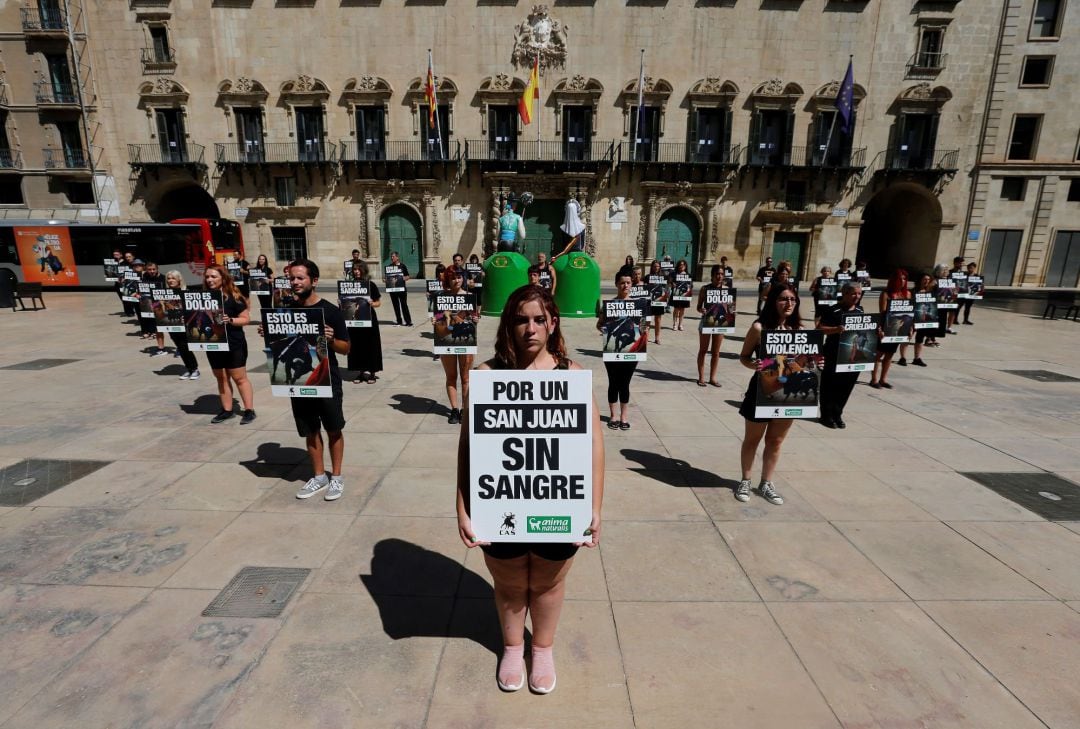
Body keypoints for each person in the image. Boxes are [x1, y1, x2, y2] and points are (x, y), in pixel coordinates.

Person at [456, 284, 603, 694]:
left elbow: (593, 443)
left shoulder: (570, 376)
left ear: (553, 323)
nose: (530, 329)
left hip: (558, 499)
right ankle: (511, 645)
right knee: (510, 582)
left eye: (539, 319)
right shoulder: (486, 376)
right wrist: (462, 506)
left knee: (548, 582)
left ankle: (542, 649)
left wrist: (596, 506)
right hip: (500, 499)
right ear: (508, 325)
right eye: (521, 320)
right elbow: (469, 446)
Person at [277, 259, 352, 501]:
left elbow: (346, 348)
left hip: (326, 377)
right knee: (310, 430)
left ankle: (336, 477)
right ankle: (319, 476)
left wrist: (331, 340)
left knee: (333, 428)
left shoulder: (330, 311)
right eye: (292, 278)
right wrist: (270, 332)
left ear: (314, 281)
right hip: (299, 381)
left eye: (300, 278)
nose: (295, 282)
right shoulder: (286, 309)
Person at [736, 283, 802, 505]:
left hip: (789, 391)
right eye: (784, 299)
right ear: (773, 301)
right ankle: (745, 480)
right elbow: (744, 356)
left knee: (775, 440)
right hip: (762, 390)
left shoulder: (800, 332)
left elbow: (803, 363)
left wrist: (815, 361)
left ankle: (766, 482)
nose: (789, 303)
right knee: (752, 439)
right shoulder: (759, 328)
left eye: (793, 299)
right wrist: (753, 364)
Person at [202, 264, 257, 425]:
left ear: (223, 278)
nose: (210, 280)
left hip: (233, 342)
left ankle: (249, 410)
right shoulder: (202, 297)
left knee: (239, 377)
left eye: (213, 276)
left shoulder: (234, 296)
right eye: (207, 277)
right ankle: (227, 410)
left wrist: (230, 320)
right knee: (221, 377)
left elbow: (246, 319)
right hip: (213, 343)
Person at [817, 282, 864, 428]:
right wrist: (836, 329)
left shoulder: (860, 310)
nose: (857, 296)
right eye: (853, 293)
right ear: (844, 294)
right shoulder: (834, 310)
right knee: (830, 385)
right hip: (833, 353)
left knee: (846, 386)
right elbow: (819, 328)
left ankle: (837, 414)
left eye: (859, 293)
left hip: (852, 356)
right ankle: (826, 415)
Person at [596, 269, 638, 430]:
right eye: (622, 283)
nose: (625, 285)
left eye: (628, 283)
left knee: (625, 383)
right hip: (612, 350)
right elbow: (599, 325)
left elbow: (642, 326)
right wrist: (605, 329)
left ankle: (624, 417)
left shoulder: (638, 305)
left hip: (631, 351)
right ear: (616, 285)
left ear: (632, 284)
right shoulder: (609, 305)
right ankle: (613, 416)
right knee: (613, 382)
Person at [437, 267, 477, 425]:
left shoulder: (470, 297)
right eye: (453, 277)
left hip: (466, 340)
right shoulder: (441, 297)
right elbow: (439, 317)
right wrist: (436, 319)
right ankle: (454, 410)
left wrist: (475, 319)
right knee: (451, 376)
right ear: (448, 279)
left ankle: (465, 410)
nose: (457, 280)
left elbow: (474, 316)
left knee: (466, 377)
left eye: (459, 277)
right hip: (447, 341)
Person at [869, 268, 910, 390]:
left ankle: (883, 379)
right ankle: (874, 379)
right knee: (878, 355)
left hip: (899, 329)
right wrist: (880, 329)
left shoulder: (907, 294)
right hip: (887, 328)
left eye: (904, 279)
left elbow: (910, 313)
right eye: (900, 278)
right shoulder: (885, 294)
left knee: (890, 355)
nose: (902, 281)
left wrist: (910, 328)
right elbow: (882, 313)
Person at [346, 262, 383, 385]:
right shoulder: (349, 285)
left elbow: (378, 302)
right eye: (354, 269)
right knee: (356, 345)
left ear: (363, 270)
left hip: (369, 319)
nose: (356, 272)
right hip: (354, 320)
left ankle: (372, 372)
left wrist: (372, 303)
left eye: (358, 269)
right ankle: (360, 371)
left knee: (371, 344)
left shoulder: (370, 285)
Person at [165, 269, 199, 380]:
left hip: (184, 325)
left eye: (173, 278)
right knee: (179, 347)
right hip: (171, 324)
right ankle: (189, 368)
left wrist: (188, 317)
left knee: (185, 347)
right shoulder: (164, 293)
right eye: (168, 278)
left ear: (179, 279)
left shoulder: (186, 292)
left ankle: (194, 369)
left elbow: (194, 309)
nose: (170, 281)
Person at [695, 264, 726, 387]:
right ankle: (701, 377)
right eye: (717, 274)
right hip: (706, 322)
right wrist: (701, 310)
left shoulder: (726, 289)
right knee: (703, 350)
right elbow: (698, 306)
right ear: (712, 275)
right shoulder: (705, 289)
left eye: (722, 274)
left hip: (720, 323)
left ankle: (713, 377)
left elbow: (730, 307)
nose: (719, 276)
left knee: (716, 352)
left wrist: (733, 312)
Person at [898, 273, 933, 367]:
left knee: (920, 338)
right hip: (912, 318)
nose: (926, 281)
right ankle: (902, 358)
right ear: (920, 280)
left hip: (923, 318)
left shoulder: (930, 292)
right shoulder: (913, 292)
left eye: (928, 280)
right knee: (907, 337)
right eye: (925, 279)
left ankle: (917, 358)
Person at [142, 261, 168, 356]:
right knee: (158, 328)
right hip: (153, 306)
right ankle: (161, 348)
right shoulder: (144, 277)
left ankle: (179, 349)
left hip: (165, 305)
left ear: (157, 269)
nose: (152, 271)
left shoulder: (164, 278)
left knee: (174, 329)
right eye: (149, 269)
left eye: (154, 269)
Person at [386, 250, 413, 326]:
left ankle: (408, 321)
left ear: (397, 257)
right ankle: (399, 321)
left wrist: (403, 278)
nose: (392, 258)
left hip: (401, 289)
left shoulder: (402, 266)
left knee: (404, 305)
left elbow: (408, 276)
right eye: (391, 256)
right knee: (396, 305)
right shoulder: (389, 267)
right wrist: (386, 280)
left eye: (393, 256)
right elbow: (386, 278)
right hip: (393, 289)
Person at [647, 259, 668, 344]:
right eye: (655, 266)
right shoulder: (647, 277)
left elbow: (666, 288)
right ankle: (646, 337)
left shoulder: (663, 277)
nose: (656, 268)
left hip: (659, 301)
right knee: (648, 320)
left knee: (658, 320)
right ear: (652, 267)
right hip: (649, 301)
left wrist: (666, 296)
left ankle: (657, 338)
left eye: (658, 266)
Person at [669, 259, 692, 331]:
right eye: (680, 265)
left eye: (683, 265)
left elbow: (691, 284)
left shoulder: (688, 275)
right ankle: (674, 324)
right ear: (678, 266)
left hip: (684, 295)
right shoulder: (674, 274)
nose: (682, 266)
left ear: (685, 266)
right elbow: (669, 282)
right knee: (676, 309)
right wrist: (672, 284)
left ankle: (680, 324)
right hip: (676, 293)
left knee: (682, 309)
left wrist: (689, 287)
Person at [961, 261, 978, 325]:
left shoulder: (977, 276)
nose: (970, 269)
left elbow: (979, 285)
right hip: (963, 293)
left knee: (968, 307)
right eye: (969, 268)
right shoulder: (964, 274)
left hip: (971, 294)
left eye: (971, 268)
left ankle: (965, 320)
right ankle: (955, 319)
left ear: (974, 268)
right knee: (959, 306)